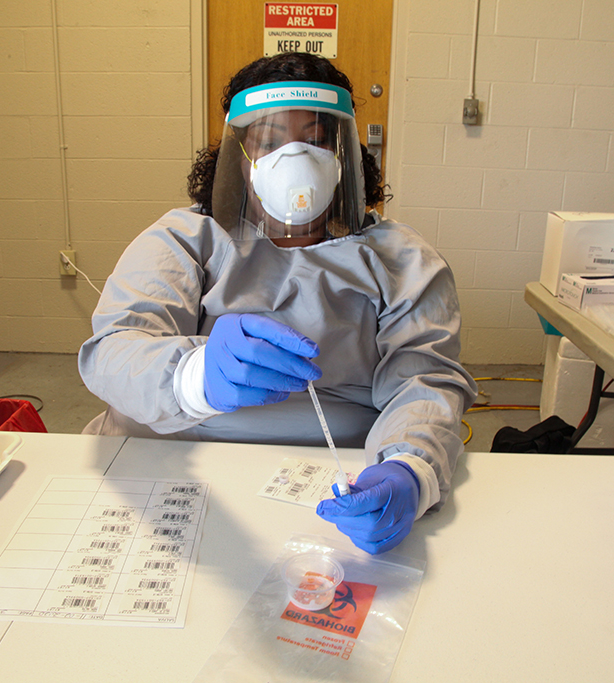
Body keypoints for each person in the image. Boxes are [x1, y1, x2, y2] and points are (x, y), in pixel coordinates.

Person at [78, 52, 477, 554]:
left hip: (336, 482)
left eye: (314, 141)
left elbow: (423, 381)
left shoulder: (400, 259)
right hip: (178, 462)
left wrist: (409, 469)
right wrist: (195, 375)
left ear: (344, 155)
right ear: (239, 158)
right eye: (268, 143)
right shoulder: (187, 238)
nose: (294, 161)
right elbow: (113, 351)